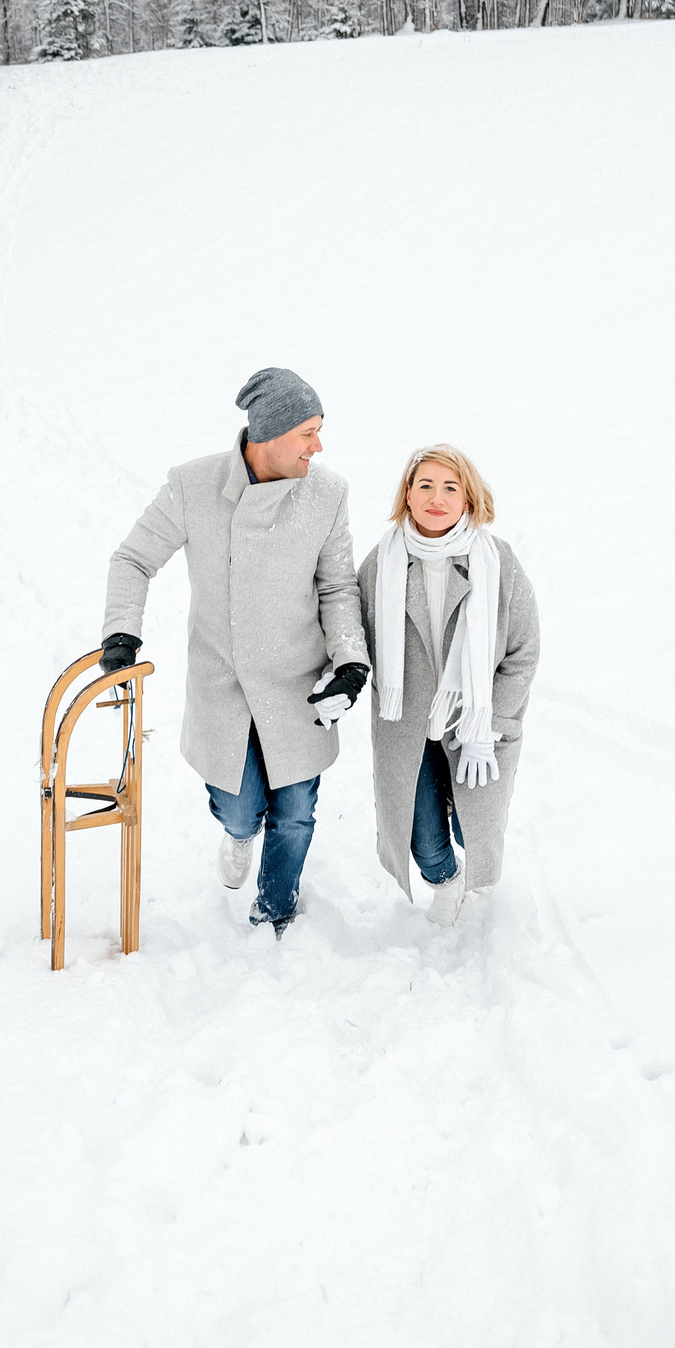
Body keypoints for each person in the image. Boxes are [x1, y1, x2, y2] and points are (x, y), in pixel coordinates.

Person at [99, 368, 369, 936]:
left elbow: (338, 586)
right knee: (241, 806)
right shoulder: (192, 486)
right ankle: (238, 833)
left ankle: (276, 910)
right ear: (269, 434)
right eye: (308, 433)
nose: (318, 447)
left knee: (295, 812)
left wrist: (348, 661)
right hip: (224, 686)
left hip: (300, 685)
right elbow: (133, 559)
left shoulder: (327, 493)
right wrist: (122, 632)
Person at [356, 444, 539, 925]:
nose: (438, 498)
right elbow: (351, 634)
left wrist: (495, 724)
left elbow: (522, 652)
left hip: (475, 726)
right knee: (421, 834)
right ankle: (443, 880)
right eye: (426, 486)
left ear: (469, 498)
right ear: (408, 496)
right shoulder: (382, 565)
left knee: (471, 826)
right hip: (405, 724)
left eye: (450, 487)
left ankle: (472, 870)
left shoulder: (499, 563)